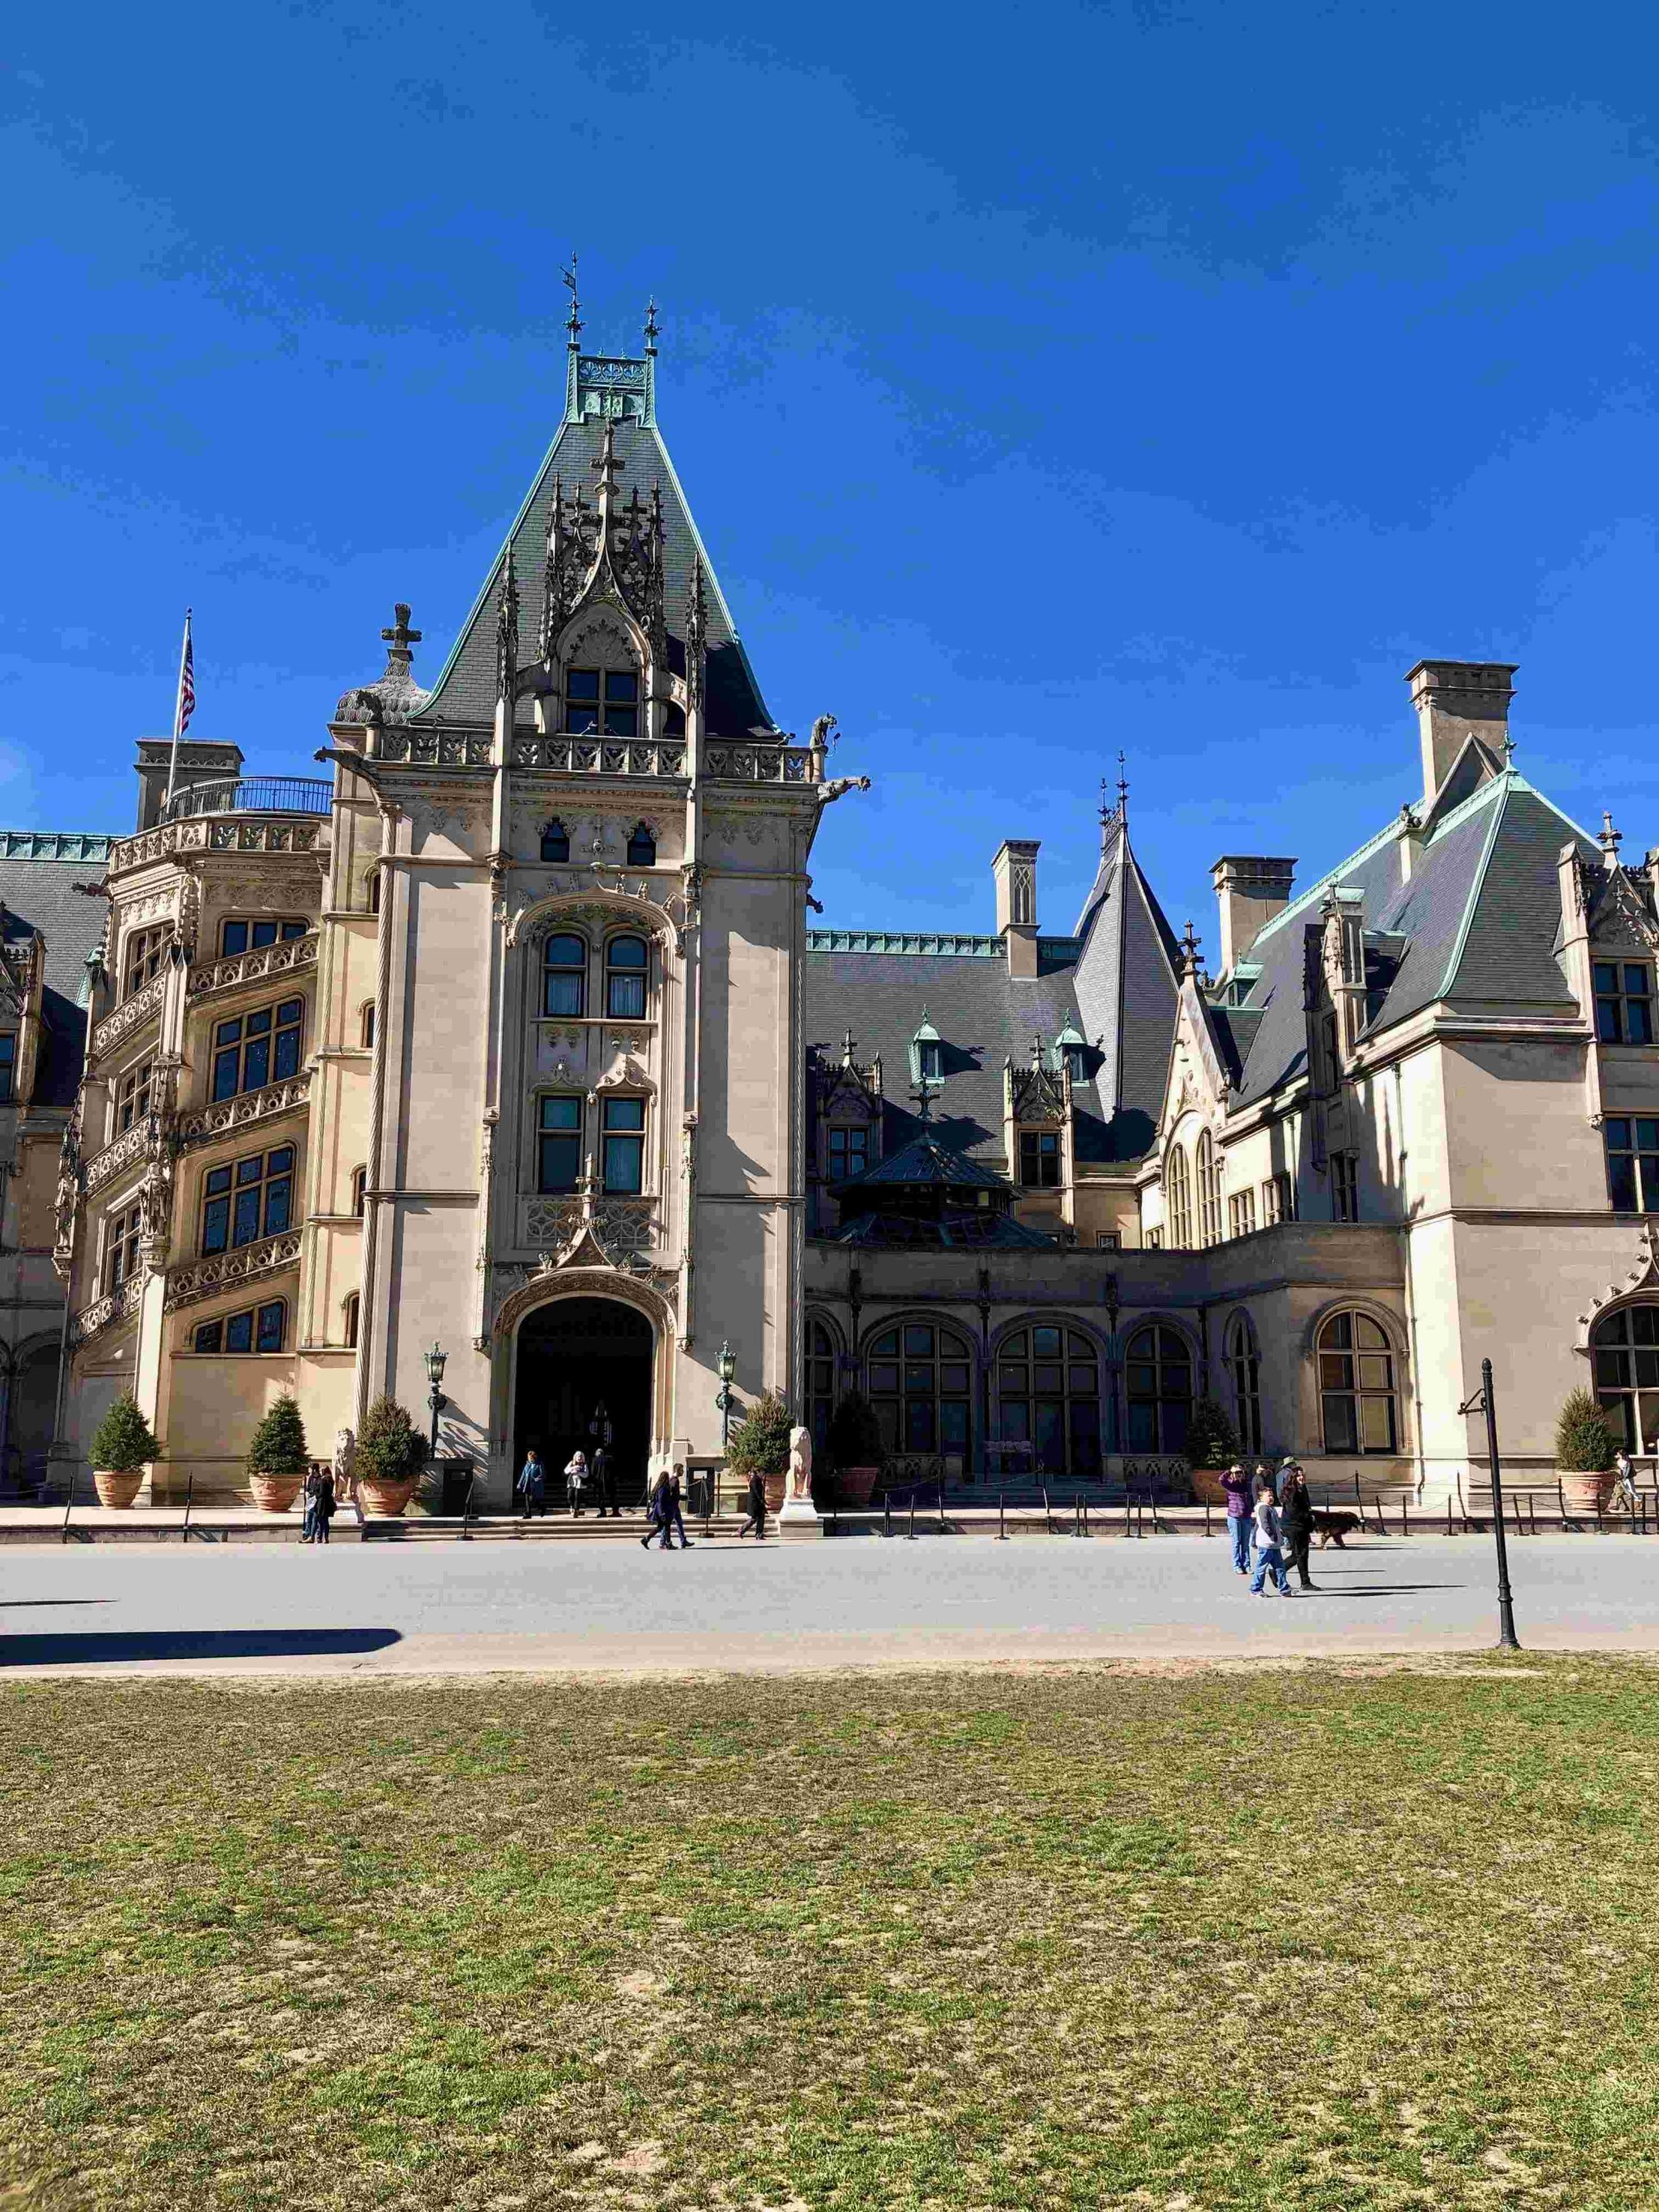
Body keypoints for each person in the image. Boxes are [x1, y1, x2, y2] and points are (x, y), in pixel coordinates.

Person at [1249, 1477, 1292, 1596]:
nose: (1271, 1497)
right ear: (1261, 1498)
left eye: (1272, 1495)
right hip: (1266, 1544)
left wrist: (1280, 1534)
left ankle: (1284, 1588)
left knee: (1280, 1567)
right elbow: (1264, 1524)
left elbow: (1262, 1525)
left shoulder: (1270, 1508)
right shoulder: (1263, 1508)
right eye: (1268, 1496)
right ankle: (1256, 1589)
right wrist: (1273, 1536)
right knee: (1261, 1568)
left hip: (1274, 1545)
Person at [1280, 1465, 1317, 1590]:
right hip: (1292, 1527)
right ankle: (1277, 1572)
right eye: (1298, 1475)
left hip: (1301, 1526)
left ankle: (1305, 1582)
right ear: (1293, 1478)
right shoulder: (1291, 1490)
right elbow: (1293, 1512)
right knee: (1297, 1555)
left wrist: (1310, 1517)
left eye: (1302, 1475)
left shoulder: (1302, 1488)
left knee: (1303, 1553)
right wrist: (1309, 1516)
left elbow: (1306, 1506)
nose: (1301, 1477)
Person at [1218, 1462, 1253, 1575]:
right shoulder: (1230, 1484)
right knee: (1237, 1542)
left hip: (1246, 1516)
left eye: (1240, 1472)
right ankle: (1237, 1565)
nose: (1239, 1474)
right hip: (1234, 1517)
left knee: (1245, 1542)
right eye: (1237, 1473)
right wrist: (1230, 1471)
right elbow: (1221, 1480)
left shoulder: (1245, 1484)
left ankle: (1246, 1565)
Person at [640, 1467, 676, 1550]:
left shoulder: (661, 1487)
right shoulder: (663, 1488)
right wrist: (662, 1513)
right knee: (666, 1527)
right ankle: (668, 1544)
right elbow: (660, 1502)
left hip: (661, 1511)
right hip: (662, 1511)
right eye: (668, 1477)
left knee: (660, 1527)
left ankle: (646, 1539)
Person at [666, 1462, 693, 1548]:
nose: (683, 1472)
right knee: (667, 1525)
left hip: (675, 1506)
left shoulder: (673, 1479)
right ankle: (663, 1542)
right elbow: (672, 1494)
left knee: (679, 1523)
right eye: (682, 1470)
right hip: (672, 1506)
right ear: (678, 1470)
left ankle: (683, 1541)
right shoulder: (674, 1480)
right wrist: (682, 1497)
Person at [517, 1446, 547, 1521]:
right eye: (529, 1458)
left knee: (533, 1500)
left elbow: (543, 1474)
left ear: (535, 1457)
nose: (530, 1460)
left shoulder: (539, 1464)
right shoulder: (527, 1464)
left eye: (532, 1458)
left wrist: (538, 1478)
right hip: (527, 1484)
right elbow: (523, 1474)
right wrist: (519, 1483)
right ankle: (528, 1514)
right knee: (527, 1500)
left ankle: (542, 1508)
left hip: (535, 1485)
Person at [738, 1468, 767, 1541]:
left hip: (758, 1503)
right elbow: (756, 1492)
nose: (763, 1474)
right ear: (759, 1472)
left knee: (761, 1518)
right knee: (755, 1518)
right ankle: (741, 1530)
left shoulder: (758, 1479)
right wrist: (761, 1500)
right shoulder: (755, 1480)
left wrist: (763, 1501)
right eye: (763, 1472)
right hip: (755, 1503)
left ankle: (759, 1534)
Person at [313, 1467, 335, 1546]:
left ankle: (319, 1537)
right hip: (329, 1502)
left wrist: (316, 1495)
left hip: (322, 1503)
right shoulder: (331, 1480)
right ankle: (326, 1537)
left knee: (320, 1520)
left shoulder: (323, 1480)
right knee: (326, 1521)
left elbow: (321, 1493)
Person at [301, 1464, 322, 1544]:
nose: (309, 1471)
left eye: (310, 1469)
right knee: (308, 1518)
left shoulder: (320, 1479)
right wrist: (307, 1492)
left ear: (314, 1470)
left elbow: (320, 1491)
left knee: (315, 1519)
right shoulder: (310, 1478)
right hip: (310, 1501)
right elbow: (308, 1487)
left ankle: (314, 1536)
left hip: (316, 1502)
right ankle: (307, 1534)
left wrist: (315, 1496)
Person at [1614, 1447, 1638, 1517]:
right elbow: (1621, 1470)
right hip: (1622, 1479)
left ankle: (1638, 1504)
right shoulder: (1619, 1461)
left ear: (1620, 1454)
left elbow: (1627, 1472)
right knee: (1619, 1492)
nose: (1616, 1454)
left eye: (1618, 1453)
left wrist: (1624, 1477)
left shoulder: (1627, 1462)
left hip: (1628, 1479)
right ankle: (1620, 1505)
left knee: (1631, 1491)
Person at [564, 1449, 588, 1517]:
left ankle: (576, 1511)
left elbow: (586, 1474)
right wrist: (573, 1468)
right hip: (571, 1483)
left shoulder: (584, 1465)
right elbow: (565, 1471)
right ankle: (572, 1506)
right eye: (578, 1456)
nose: (580, 1458)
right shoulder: (572, 1463)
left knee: (577, 1497)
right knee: (570, 1497)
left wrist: (578, 1473)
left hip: (579, 1484)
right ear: (575, 1457)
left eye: (581, 1457)